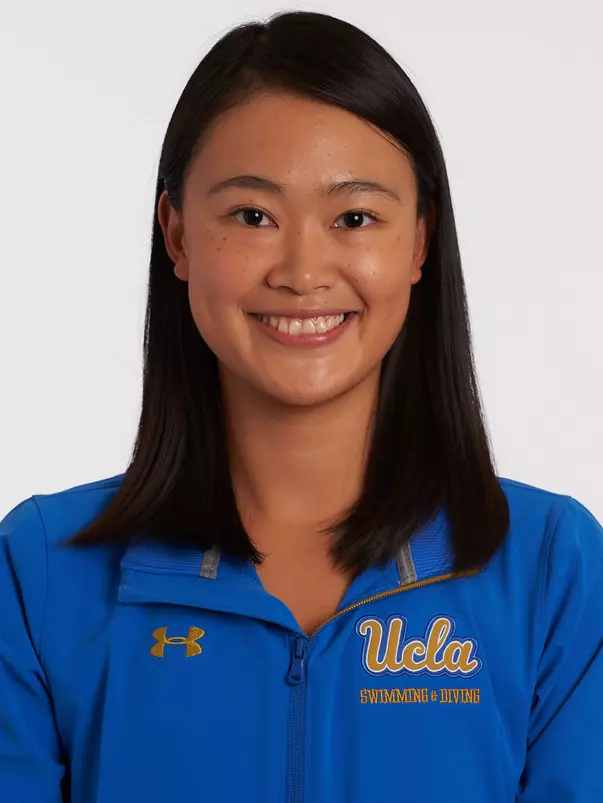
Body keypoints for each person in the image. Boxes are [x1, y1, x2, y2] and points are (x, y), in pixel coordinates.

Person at [1, 9, 602, 802]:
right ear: (176, 236)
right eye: (252, 216)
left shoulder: (550, 570)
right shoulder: (41, 572)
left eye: (354, 217)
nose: (303, 269)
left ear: (419, 241)